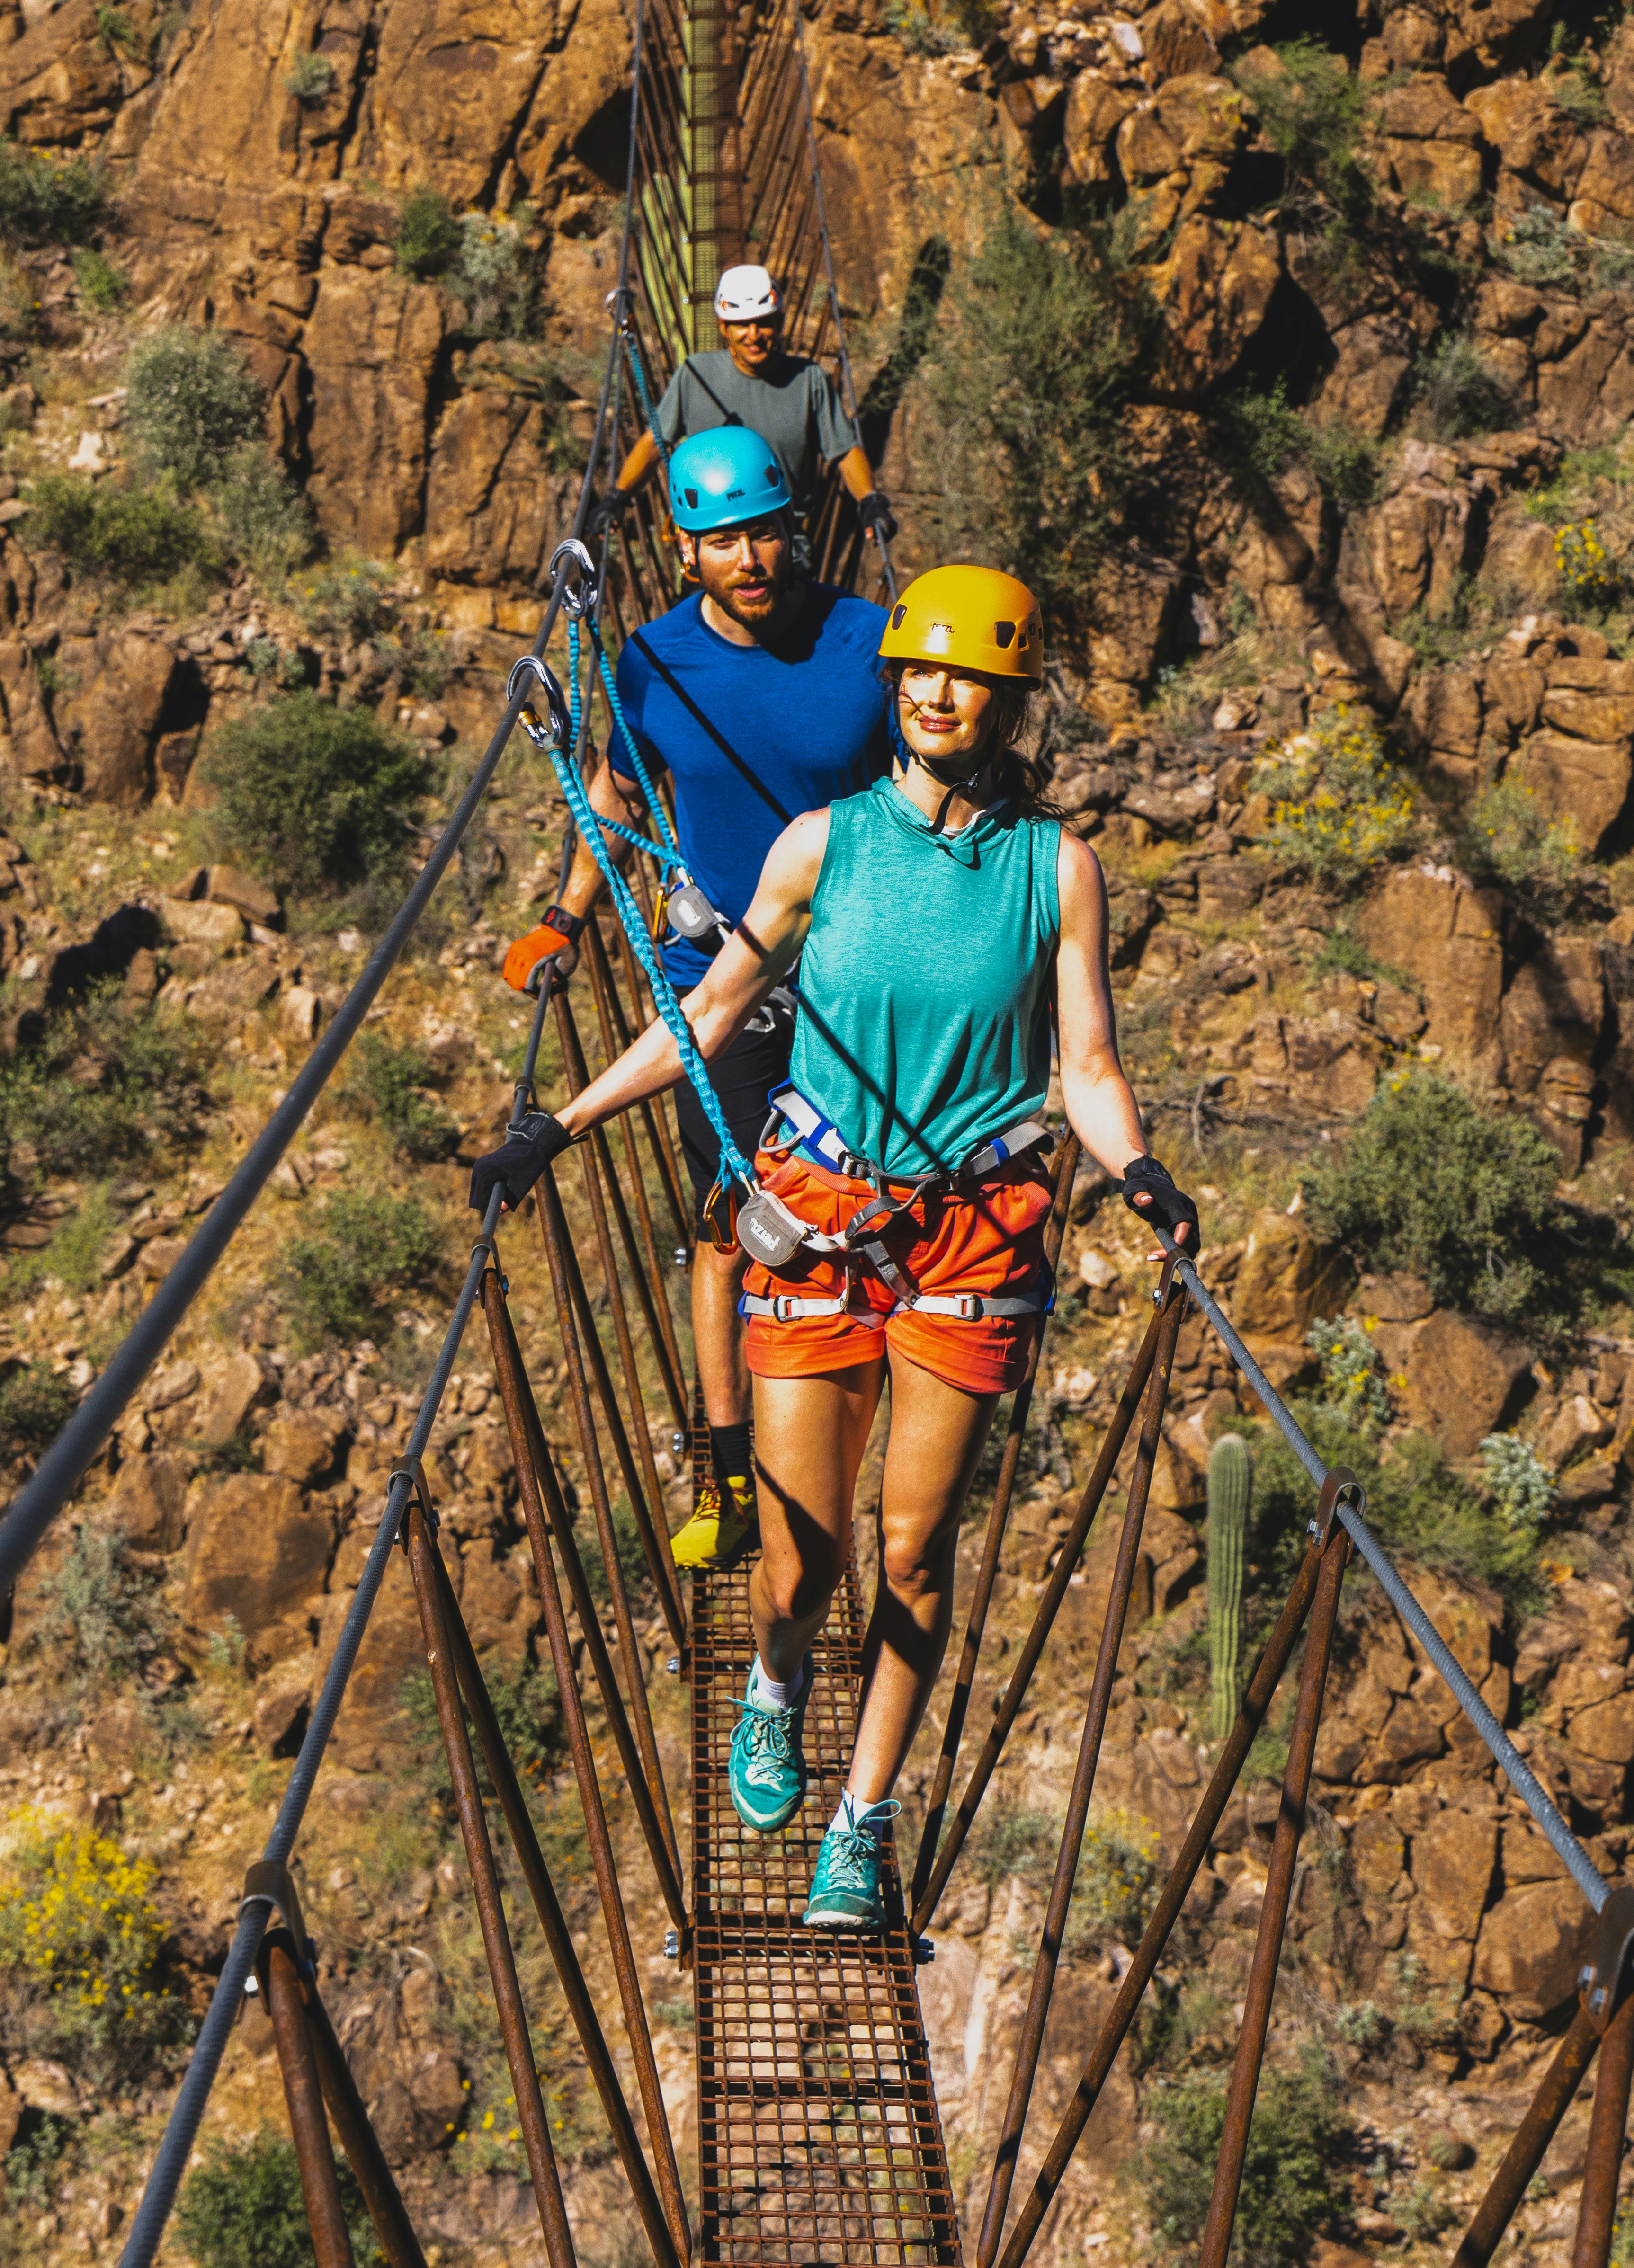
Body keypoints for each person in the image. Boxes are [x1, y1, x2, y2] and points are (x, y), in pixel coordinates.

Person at [472, 563, 1203, 1931]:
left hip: (974, 1236)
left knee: (914, 1552)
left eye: (966, 675)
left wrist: (1143, 1170)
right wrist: (559, 1124)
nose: (935, 693)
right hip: (818, 1213)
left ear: (1003, 698)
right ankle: (773, 1690)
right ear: (895, 686)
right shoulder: (821, 845)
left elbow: (1087, 1063)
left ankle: (861, 1822)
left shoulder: (1058, 869)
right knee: (801, 1557)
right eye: (918, 671)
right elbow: (715, 1004)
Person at [495, 423, 897, 1574]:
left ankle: (826, 1462)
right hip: (719, 974)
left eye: (767, 531)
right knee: (733, 1222)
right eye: (724, 541)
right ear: (683, 550)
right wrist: (569, 915)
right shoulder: (648, 662)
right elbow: (617, 794)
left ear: (796, 528)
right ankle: (732, 1476)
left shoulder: (873, 642)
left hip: (851, 969)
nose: (753, 558)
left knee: (857, 1211)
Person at [612, 262, 896, 557]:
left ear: (779, 323)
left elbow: (844, 451)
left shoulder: (809, 380)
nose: (754, 334)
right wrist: (618, 496)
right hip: (713, 536)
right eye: (741, 324)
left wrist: (869, 500)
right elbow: (655, 443)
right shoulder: (695, 375)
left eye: (763, 322)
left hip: (781, 538)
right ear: (724, 328)